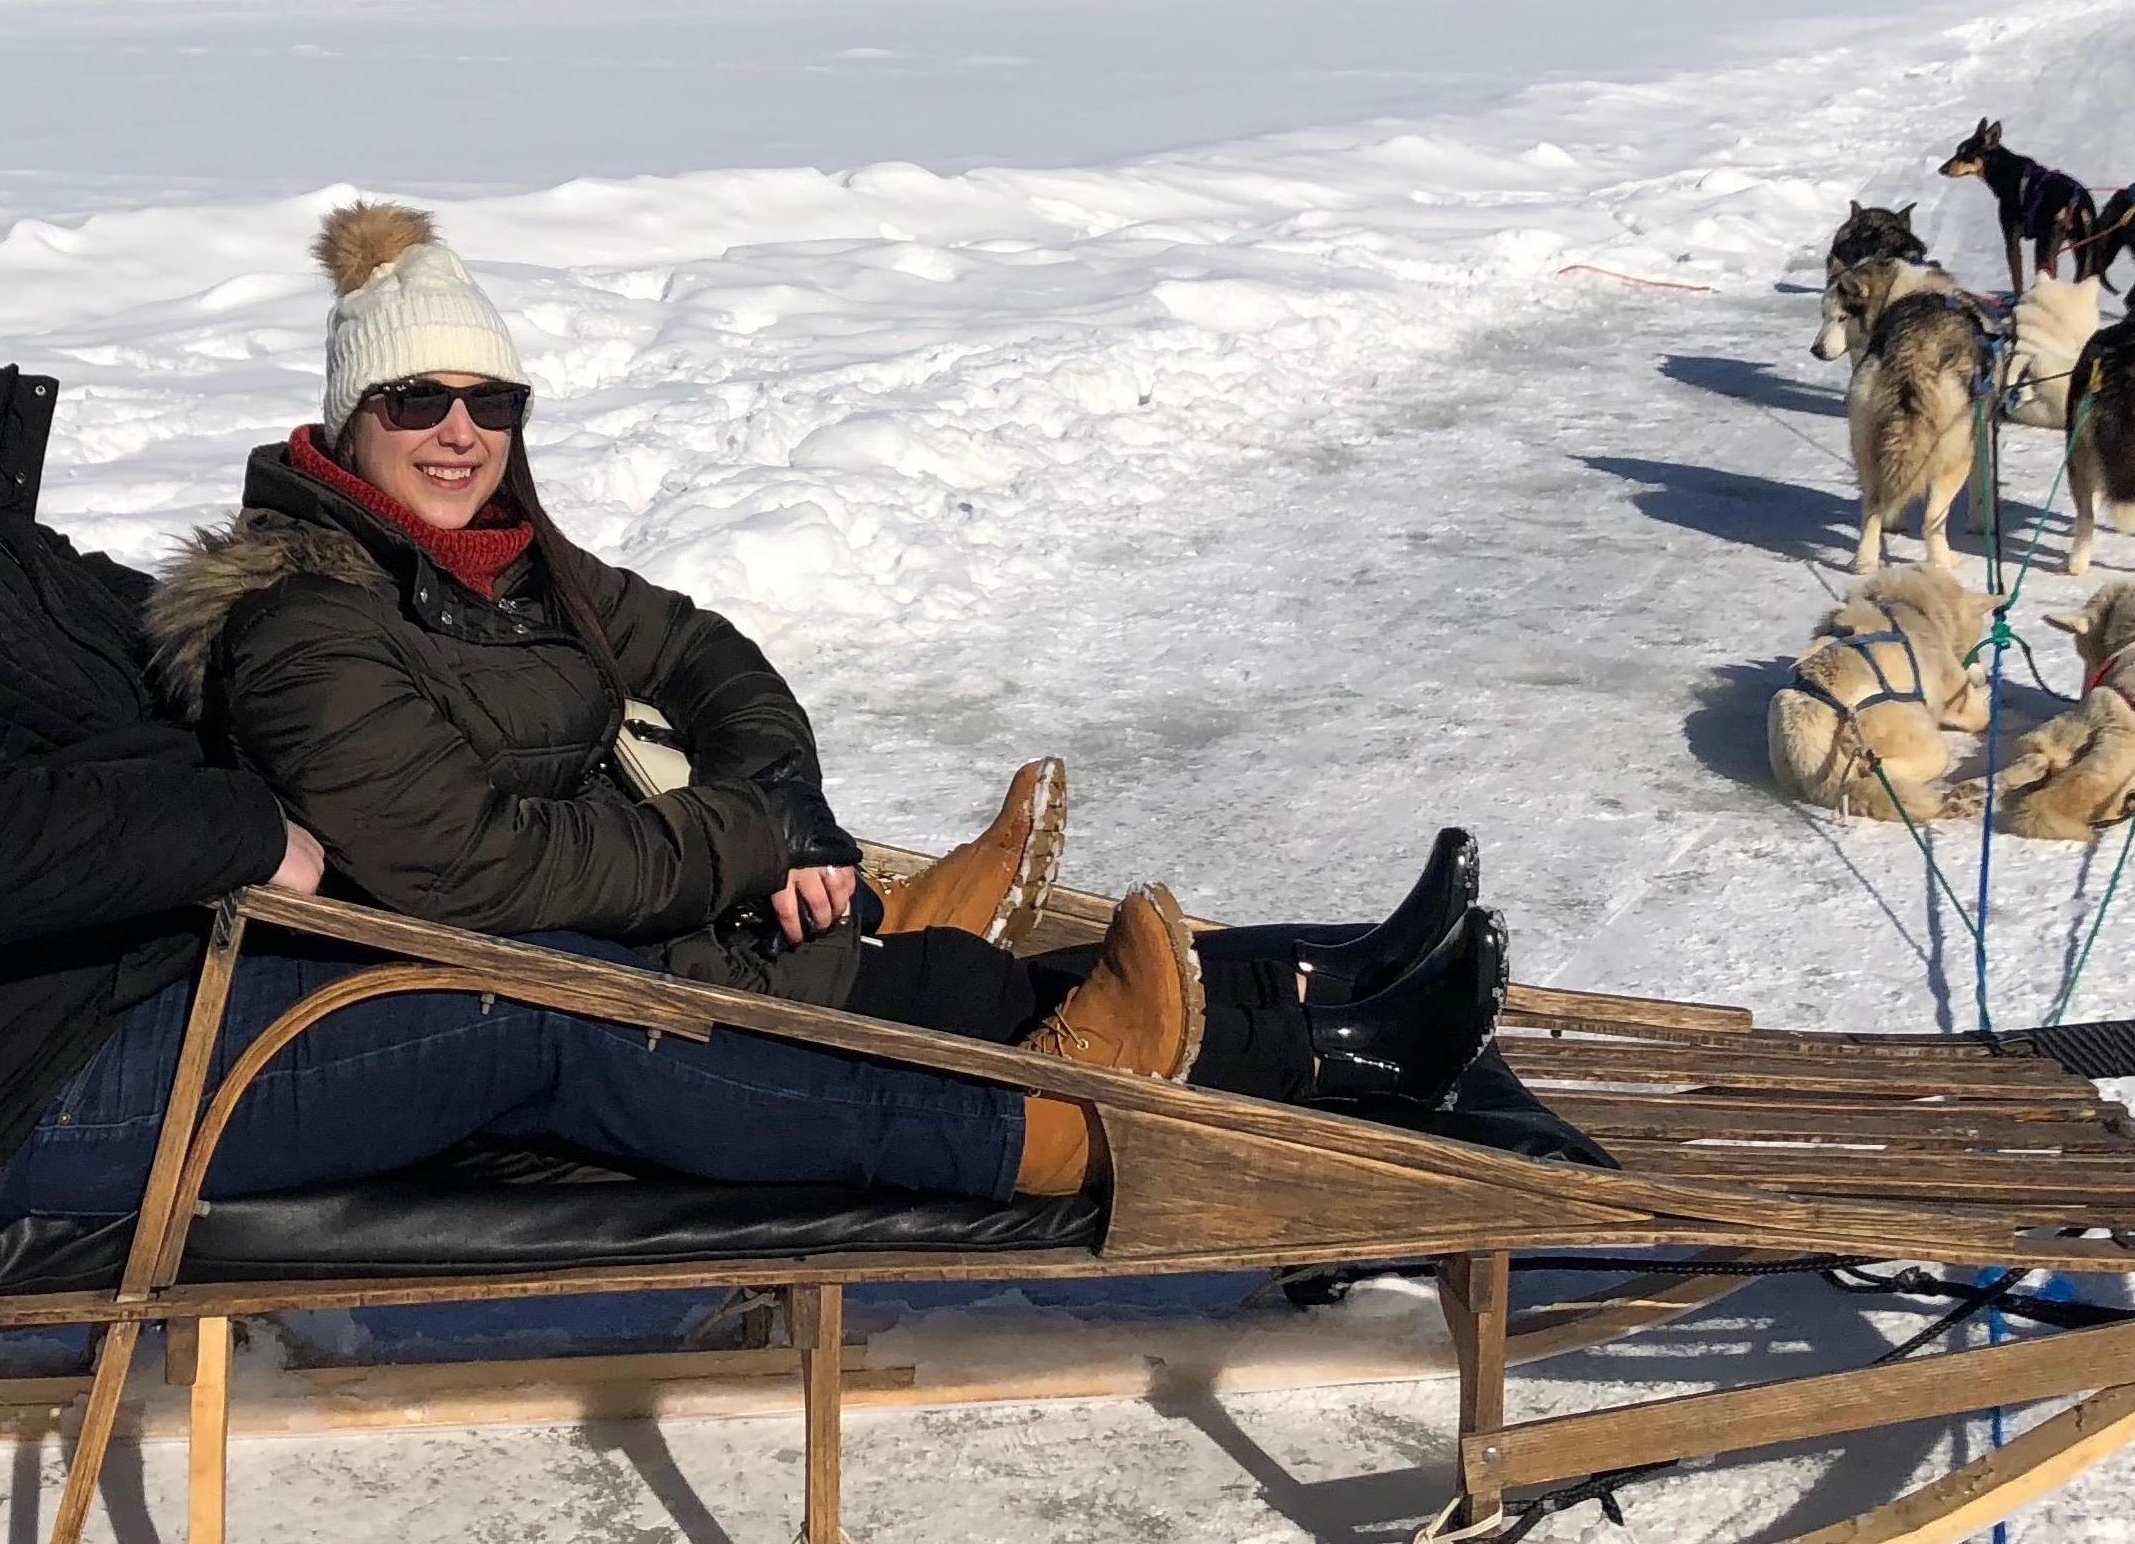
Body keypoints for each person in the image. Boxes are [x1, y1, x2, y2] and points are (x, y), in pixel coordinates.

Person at [0, 115, 1226, 1230]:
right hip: (32, 1090)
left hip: (143, 983)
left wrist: (339, 642)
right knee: (533, 1008)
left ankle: (904, 988)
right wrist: (228, 828)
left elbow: (140, 641)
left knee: (522, 939)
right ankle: (1027, 1132)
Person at [149, 201, 1510, 1142]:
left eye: (488, 401)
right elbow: (481, 869)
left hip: (654, 942)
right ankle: (1347, 1054)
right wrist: (748, 840)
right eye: (414, 401)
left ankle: (1334, 977)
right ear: (348, 417)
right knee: (974, 1003)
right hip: (567, 1001)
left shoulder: (504, 566)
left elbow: (708, 656)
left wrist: (784, 802)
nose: (457, 433)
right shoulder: (308, 627)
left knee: (970, 983)